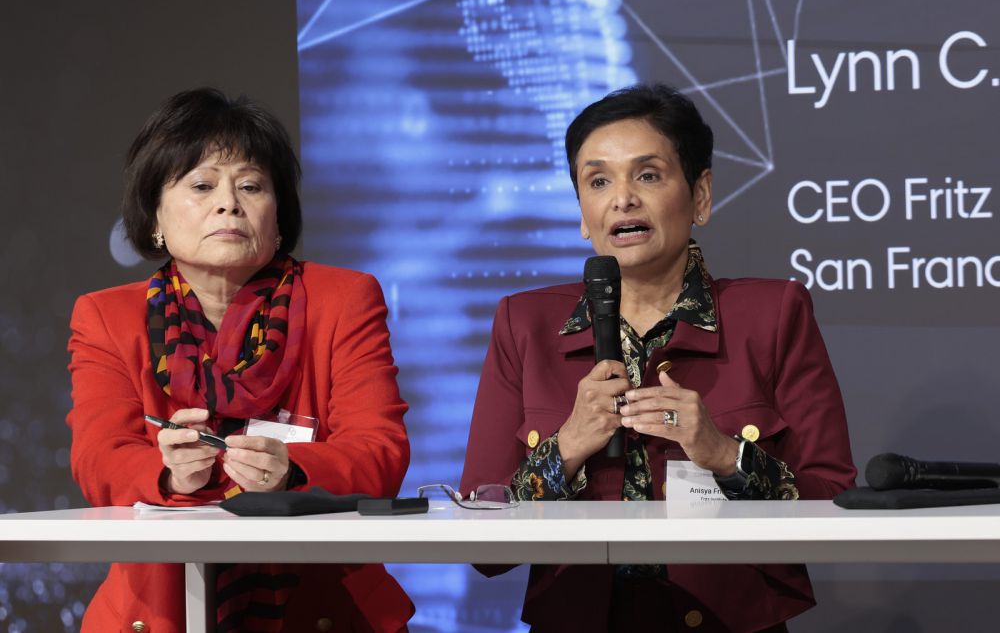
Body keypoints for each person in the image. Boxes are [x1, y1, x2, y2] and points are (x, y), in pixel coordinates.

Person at [460, 84, 856, 632]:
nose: (622, 199)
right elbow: (482, 545)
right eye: (598, 181)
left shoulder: (773, 315)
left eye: (647, 175)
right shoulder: (523, 324)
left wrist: (726, 456)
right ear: (583, 213)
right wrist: (566, 448)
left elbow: (835, 506)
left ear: (701, 195)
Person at [67, 88, 413, 633]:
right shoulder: (107, 317)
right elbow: (99, 459)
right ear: (155, 216)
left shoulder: (344, 299)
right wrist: (168, 473)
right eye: (201, 185)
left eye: (250, 186)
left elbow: (380, 452)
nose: (228, 203)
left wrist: (294, 470)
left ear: (279, 218)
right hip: (159, 609)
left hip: (323, 604)